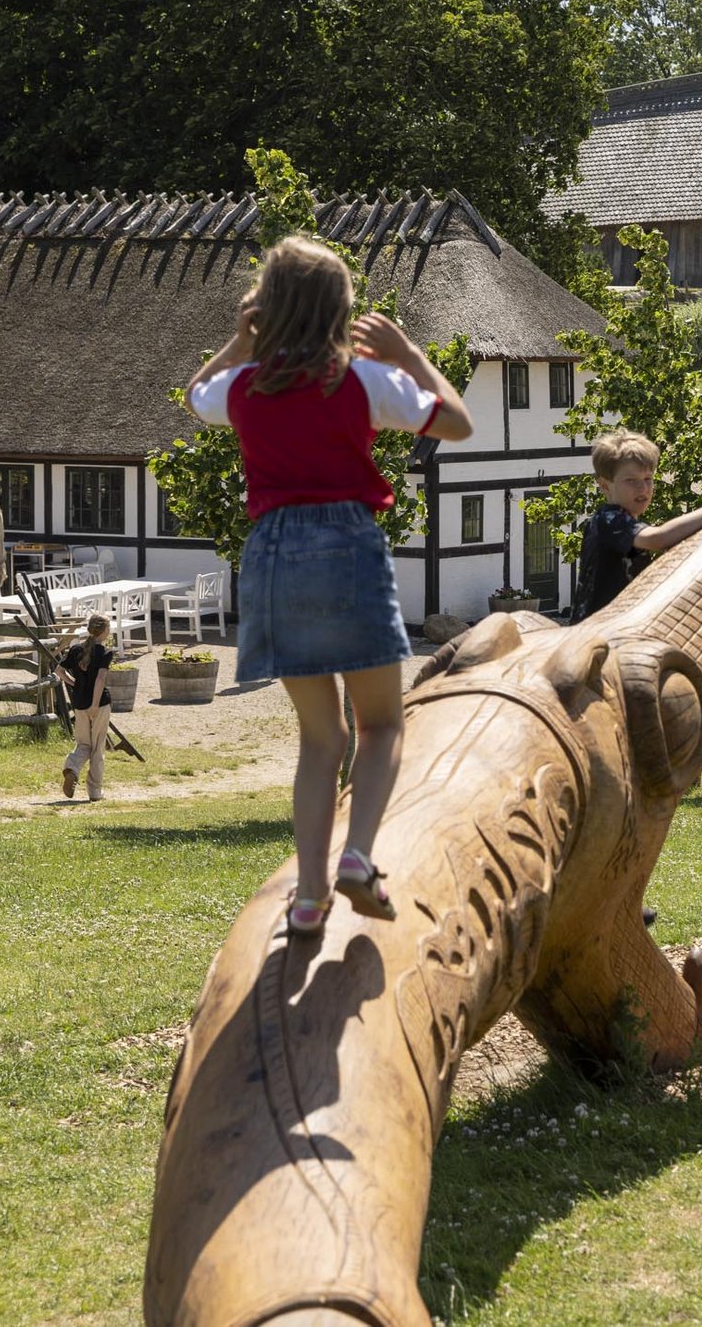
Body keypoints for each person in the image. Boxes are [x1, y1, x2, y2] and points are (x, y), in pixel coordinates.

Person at [186, 234, 474, 938]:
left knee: (320, 740)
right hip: (348, 543)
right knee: (380, 726)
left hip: (273, 555)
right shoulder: (366, 381)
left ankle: (310, 895)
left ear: (268, 309)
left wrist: (238, 341)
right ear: (342, 309)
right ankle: (358, 857)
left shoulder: (242, 388)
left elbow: (196, 393)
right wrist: (410, 357)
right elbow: (459, 423)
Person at [573, 430, 702, 621]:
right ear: (605, 485)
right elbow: (658, 538)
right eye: (631, 480)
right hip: (597, 633)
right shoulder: (609, 520)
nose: (643, 488)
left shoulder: (622, 521)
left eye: (648, 479)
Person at [57, 612, 117, 802]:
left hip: (79, 703)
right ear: (104, 631)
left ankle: (72, 768)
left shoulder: (76, 650)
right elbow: (100, 679)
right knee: (98, 747)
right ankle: (95, 791)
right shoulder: (104, 652)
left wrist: (73, 683)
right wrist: (95, 704)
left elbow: (59, 670)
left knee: (83, 744)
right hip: (98, 704)